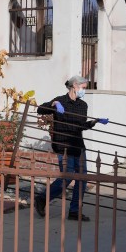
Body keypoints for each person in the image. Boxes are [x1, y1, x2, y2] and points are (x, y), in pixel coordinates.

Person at [36, 75, 108, 221]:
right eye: (83, 88)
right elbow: (40, 110)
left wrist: (93, 122)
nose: (84, 91)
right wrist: (53, 104)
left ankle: (74, 211)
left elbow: (80, 126)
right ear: (74, 86)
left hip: (78, 145)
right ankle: (42, 199)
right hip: (64, 145)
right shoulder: (60, 101)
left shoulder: (83, 105)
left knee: (82, 178)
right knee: (67, 177)